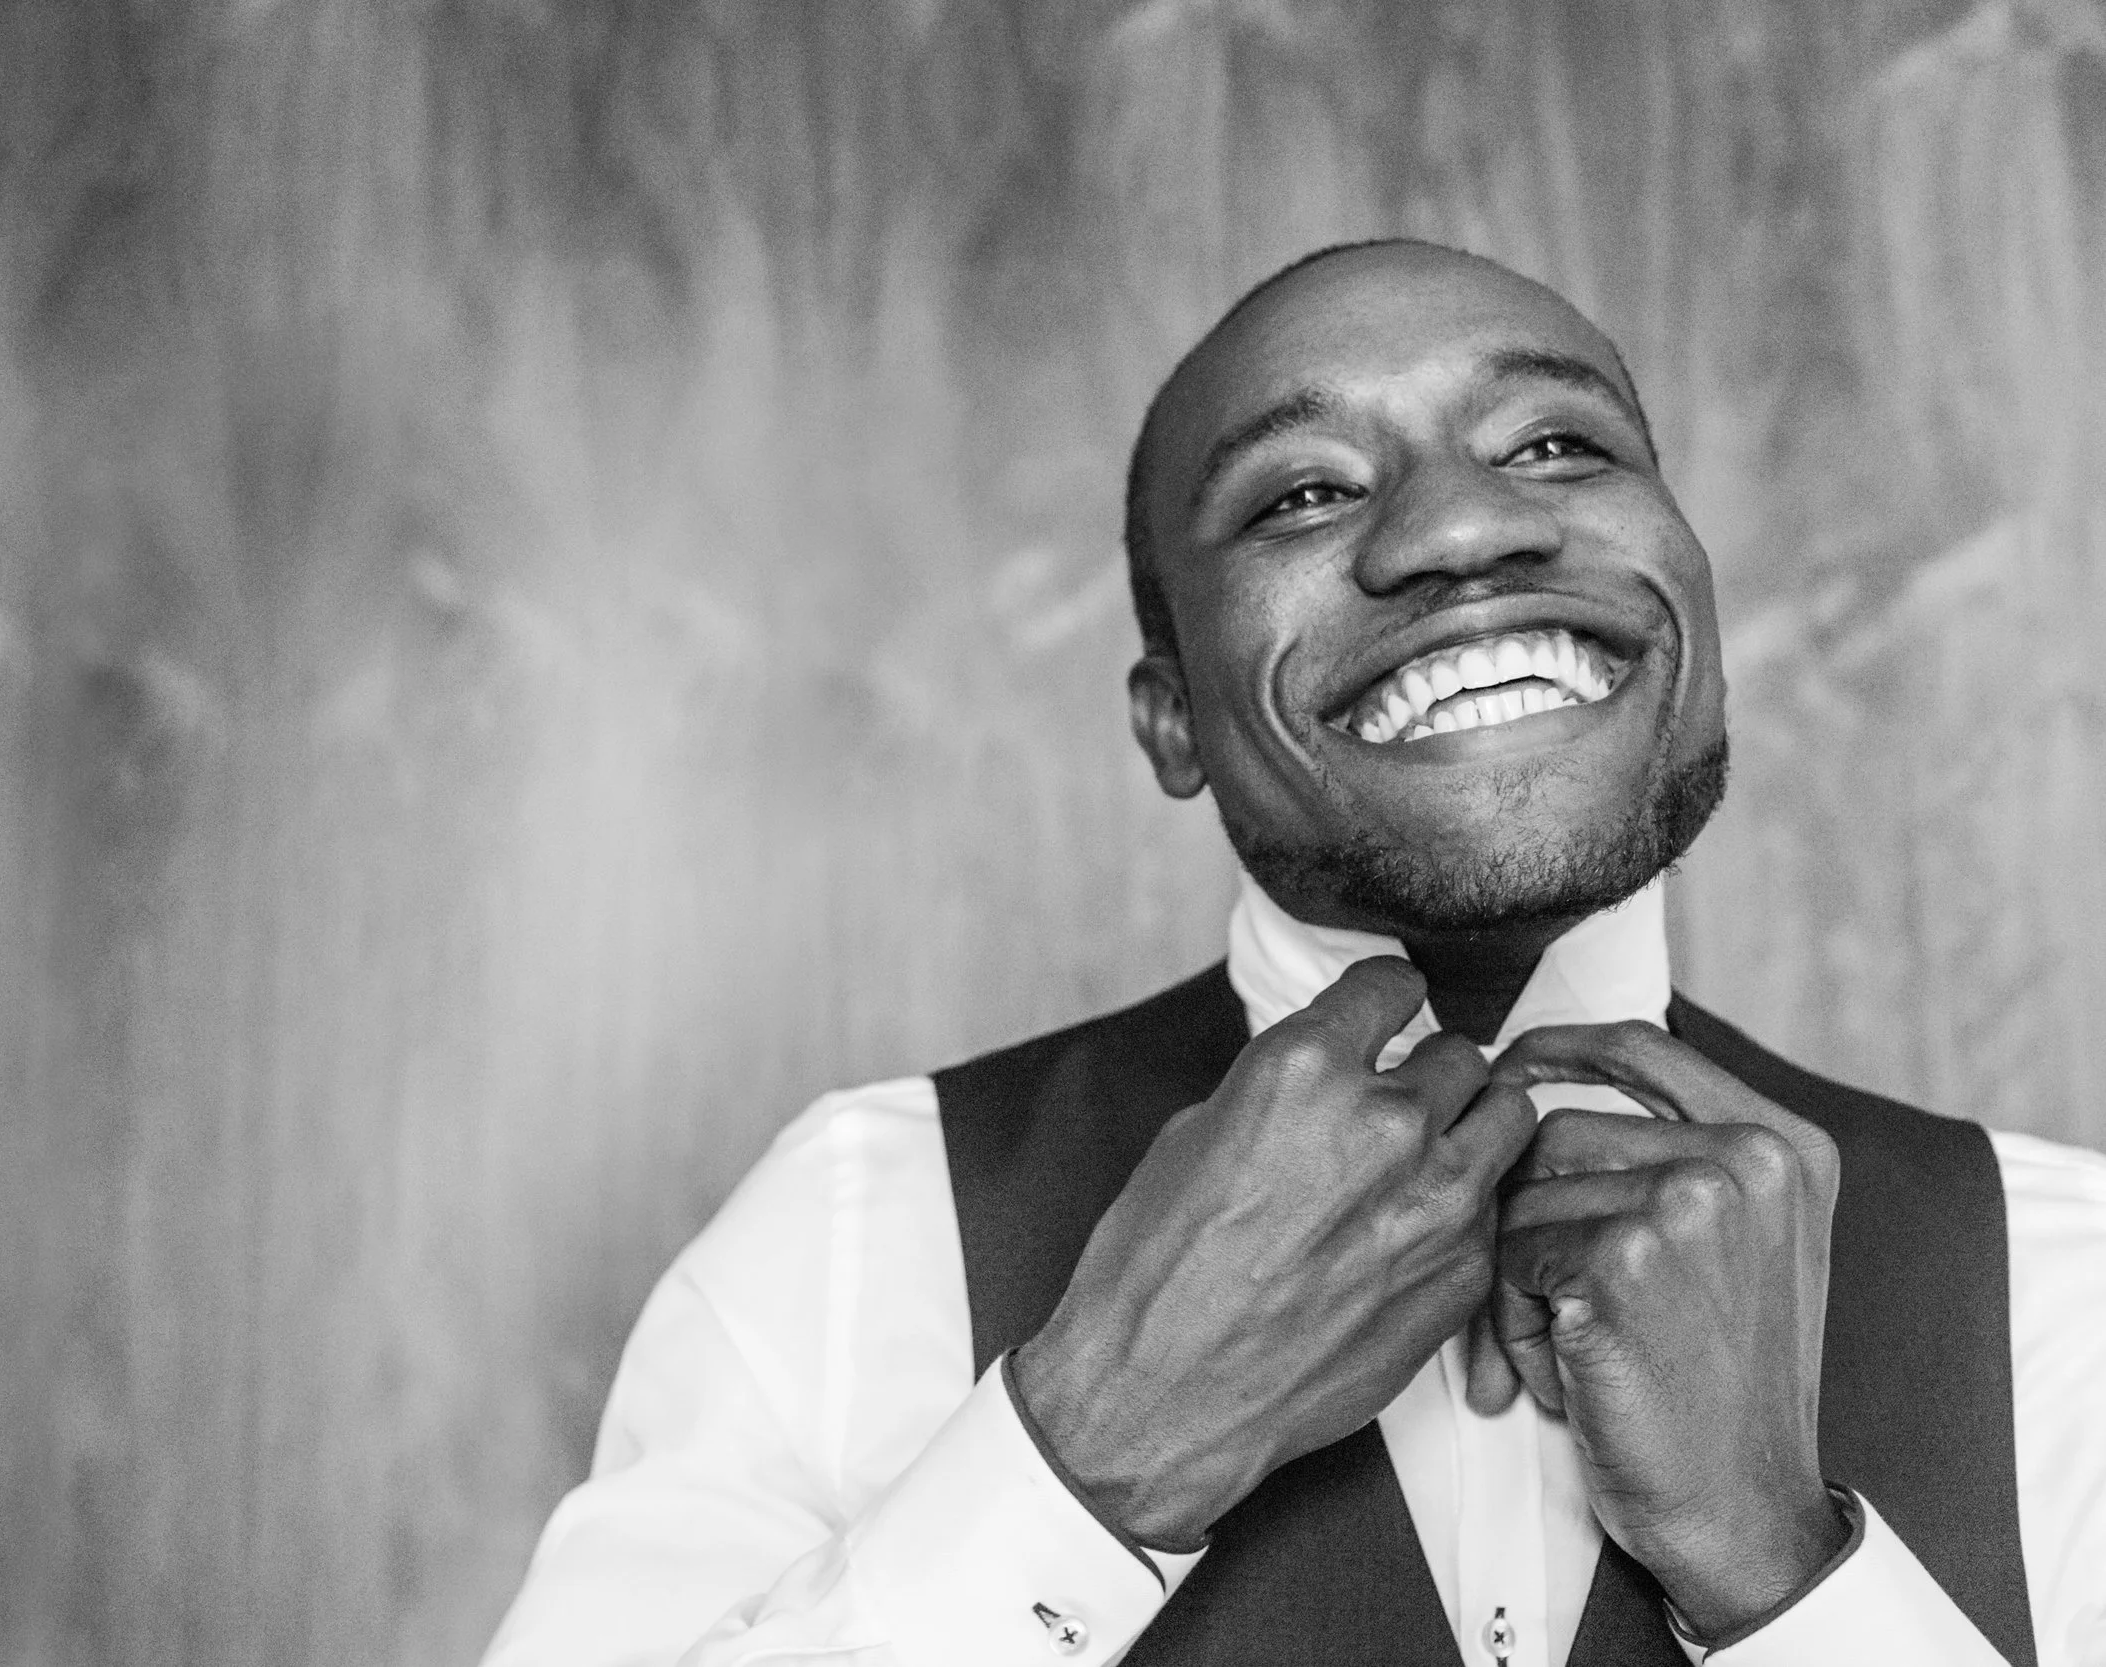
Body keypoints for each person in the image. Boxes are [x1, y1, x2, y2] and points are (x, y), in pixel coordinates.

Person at [479, 240, 2106, 1666]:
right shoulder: (862, 1227)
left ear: (1698, 607)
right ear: (1172, 717)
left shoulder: (2064, 1278)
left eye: (1556, 442)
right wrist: (1098, 1454)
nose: (1463, 530)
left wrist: (1783, 1576)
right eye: (1305, 492)